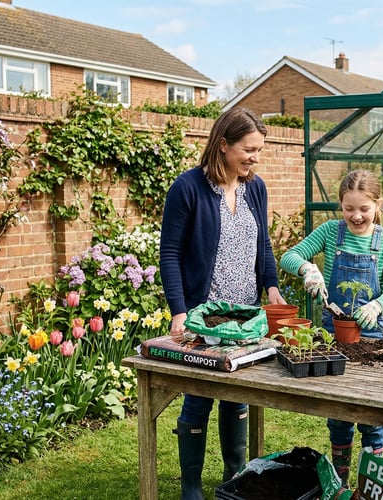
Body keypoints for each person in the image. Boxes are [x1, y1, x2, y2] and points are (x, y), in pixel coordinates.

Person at [159, 107, 286, 500]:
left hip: (245, 314)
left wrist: (272, 287)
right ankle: (191, 487)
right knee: (199, 398)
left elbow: (262, 243)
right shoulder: (188, 188)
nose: (255, 157)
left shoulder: (256, 187)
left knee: (237, 395)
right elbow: (170, 254)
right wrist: (180, 311)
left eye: (259, 150)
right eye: (248, 149)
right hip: (203, 316)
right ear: (223, 144)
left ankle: (235, 477)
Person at [279, 169, 383, 486]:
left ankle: (369, 482)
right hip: (333, 337)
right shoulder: (330, 233)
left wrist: (376, 305)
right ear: (340, 205)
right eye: (349, 208)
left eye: (364, 208)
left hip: (372, 337)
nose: (356, 216)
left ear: (378, 204)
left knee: (373, 413)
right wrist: (307, 268)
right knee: (339, 414)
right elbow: (288, 257)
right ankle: (342, 482)